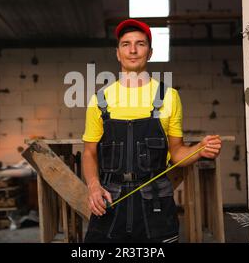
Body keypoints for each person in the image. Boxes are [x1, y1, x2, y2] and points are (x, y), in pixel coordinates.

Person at [82, 19, 222, 243]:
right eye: (126, 44)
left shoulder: (168, 97)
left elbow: (176, 152)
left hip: (156, 203)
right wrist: (93, 186)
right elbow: (89, 152)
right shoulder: (100, 99)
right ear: (117, 53)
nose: (133, 50)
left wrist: (200, 149)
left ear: (150, 52)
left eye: (140, 44)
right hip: (110, 200)